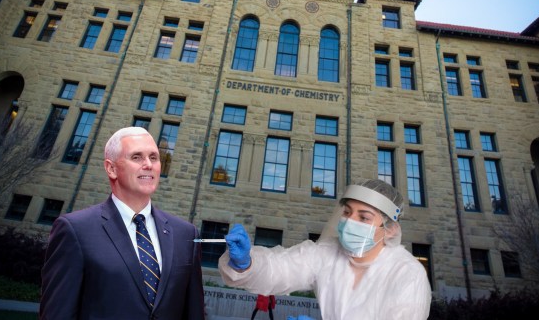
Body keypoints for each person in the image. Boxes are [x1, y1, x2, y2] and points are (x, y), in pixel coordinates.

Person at [40, 127, 205, 320]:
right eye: (136, 157)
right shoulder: (76, 230)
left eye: (154, 157)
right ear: (111, 168)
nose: (148, 165)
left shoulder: (186, 234)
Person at [219, 179, 432, 319]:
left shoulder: (406, 274)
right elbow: (281, 268)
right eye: (347, 212)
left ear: (390, 229)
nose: (350, 222)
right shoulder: (328, 254)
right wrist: (247, 263)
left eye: (364, 217)